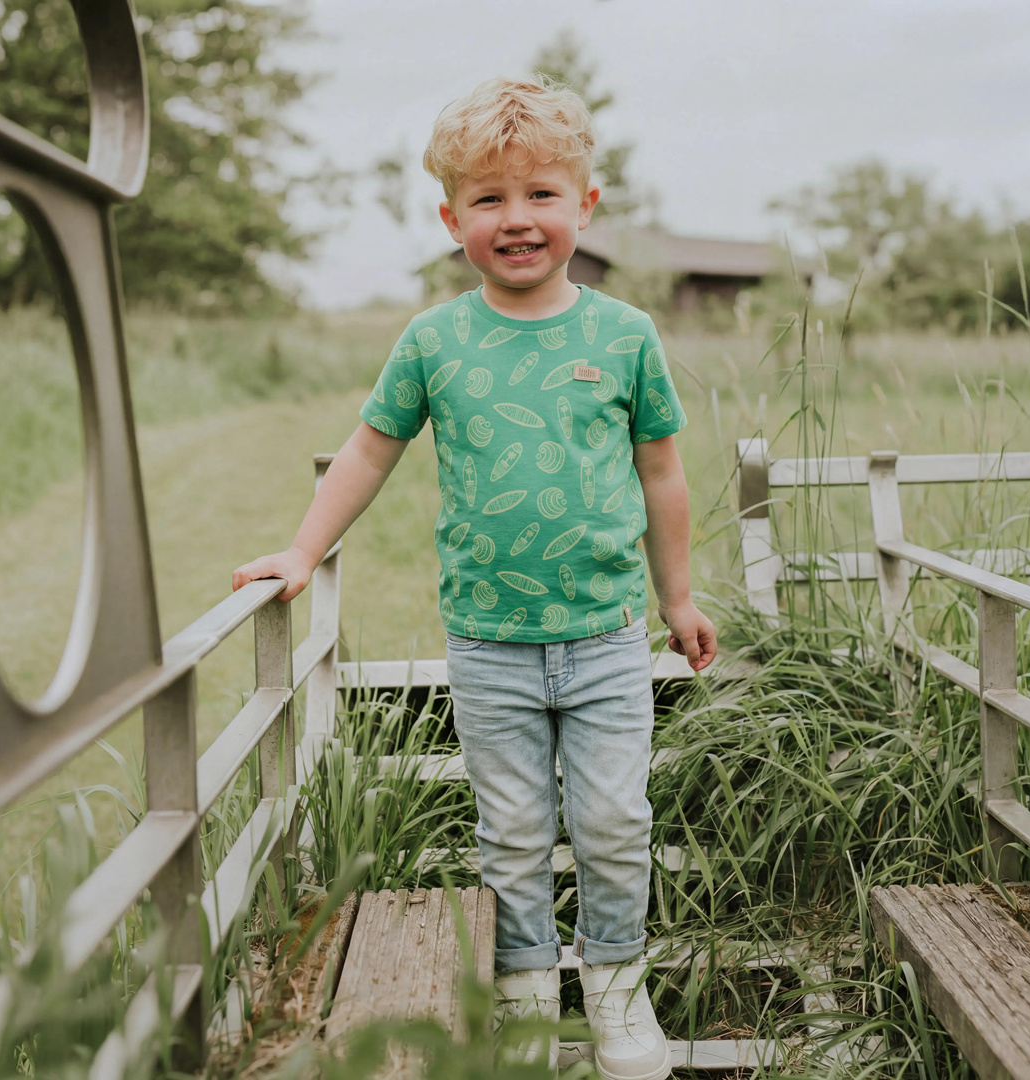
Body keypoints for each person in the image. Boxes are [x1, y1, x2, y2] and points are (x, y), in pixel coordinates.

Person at [232, 75, 717, 1080]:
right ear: (453, 220)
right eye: (489, 198)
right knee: (513, 831)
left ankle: (616, 987)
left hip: (606, 635)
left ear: (585, 205)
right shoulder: (435, 340)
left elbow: (662, 472)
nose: (517, 217)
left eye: (541, 193)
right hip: (490, 644)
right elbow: (369, 450)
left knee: (614, 822)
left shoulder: (624, 334)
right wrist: (302, 550)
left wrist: (677, 599)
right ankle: (527, 993)